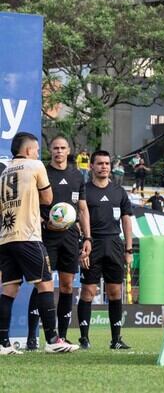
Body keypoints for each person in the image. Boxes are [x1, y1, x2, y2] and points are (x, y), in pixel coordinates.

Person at [0, 132, 78, 354]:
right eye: (35, 150)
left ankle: (2, 343)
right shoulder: (35, 166)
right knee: (44, 284)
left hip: (6, 238)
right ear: (27, 151)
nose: (37, 153)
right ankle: (53, 339)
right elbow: (48, 199)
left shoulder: (3, 173)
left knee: (8, 290)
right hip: (29, 236)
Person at [26, 135, 82, 349]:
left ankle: (63, 335)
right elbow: (32, 203)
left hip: (70, 237)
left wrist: (87, 236)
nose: (59, 151)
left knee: (67, 285)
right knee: (42, 284)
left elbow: (82, 208)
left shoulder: (77, 176)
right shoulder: (42, 172)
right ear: (51, 150)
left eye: (62, 148)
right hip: (46, 235)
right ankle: (32, 336)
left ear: (68, 150)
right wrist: (43, 221)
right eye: (55, 148)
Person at [77, 150, 133, 350]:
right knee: (88, 292)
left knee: (115, 291)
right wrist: (82, 246)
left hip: (115, 245)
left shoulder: (119, 191)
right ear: (91, 166)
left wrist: (128, 249)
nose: (104, 167)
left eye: (107, 163)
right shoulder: (84, 190)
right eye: (100, 163)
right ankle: (84, 338)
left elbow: (126, 220)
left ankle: (116, 339)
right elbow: (79, 220)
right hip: (93, 245)